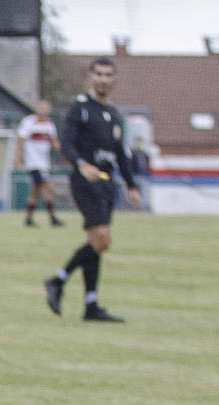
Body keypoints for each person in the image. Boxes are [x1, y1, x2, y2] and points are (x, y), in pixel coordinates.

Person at [43, 57, 142, 323]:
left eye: (108, 75)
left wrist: (131, 185)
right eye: (99, 74)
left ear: (114, 79)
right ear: (90, 77)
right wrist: (80, 163)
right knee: (102, 241)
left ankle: (91, 305)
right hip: (86, 181)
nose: (103, 79)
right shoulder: (80, 109)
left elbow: (121, 154)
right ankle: (58, 280)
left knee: (95, 245)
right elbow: (66, 144)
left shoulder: (114, 115)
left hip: (107, 182)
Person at [15, 99, 63, 227]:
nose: (43, 109)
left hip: (44, 163)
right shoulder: (29, 122)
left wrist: (59, 147)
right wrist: (18, 157)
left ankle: (29, 218)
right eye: (41, 107)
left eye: (45, 107)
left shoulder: (49, 124)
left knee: (36, 191)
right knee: (48, 187)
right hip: (34, 163)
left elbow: (54, 141)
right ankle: (52, 217)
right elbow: (20, 140)